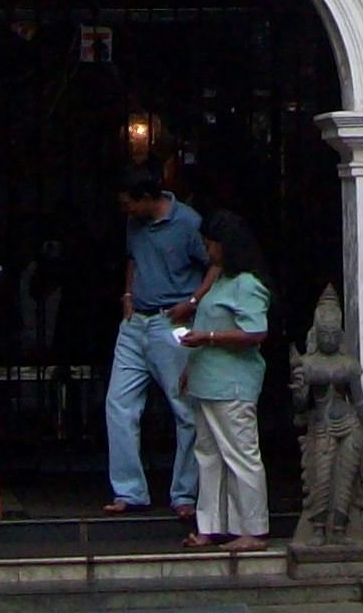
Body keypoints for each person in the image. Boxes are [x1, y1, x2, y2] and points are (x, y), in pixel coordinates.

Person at [105, 169, 206, 515]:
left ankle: (184, 494)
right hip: (136, 321)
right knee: (118, 404)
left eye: (129, 204)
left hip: (170, 320)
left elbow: (213, 265)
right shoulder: (136, 223)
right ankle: (129, 491)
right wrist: (128, 295)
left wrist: (192, 303)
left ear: (147, 198)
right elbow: (133, 258)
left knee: (185, 409)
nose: (126, 211)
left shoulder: (189, 222)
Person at [177, 212, 273, 549]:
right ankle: (212, 525)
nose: (207, 250)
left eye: (210, 244)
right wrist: (190, 367)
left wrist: (210, 336)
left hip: (232, 384)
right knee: (208, 454)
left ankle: (253, 529)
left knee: (240, 454)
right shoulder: (219, 281)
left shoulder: (247, 283)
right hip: (208, 380)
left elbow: (255, 330)